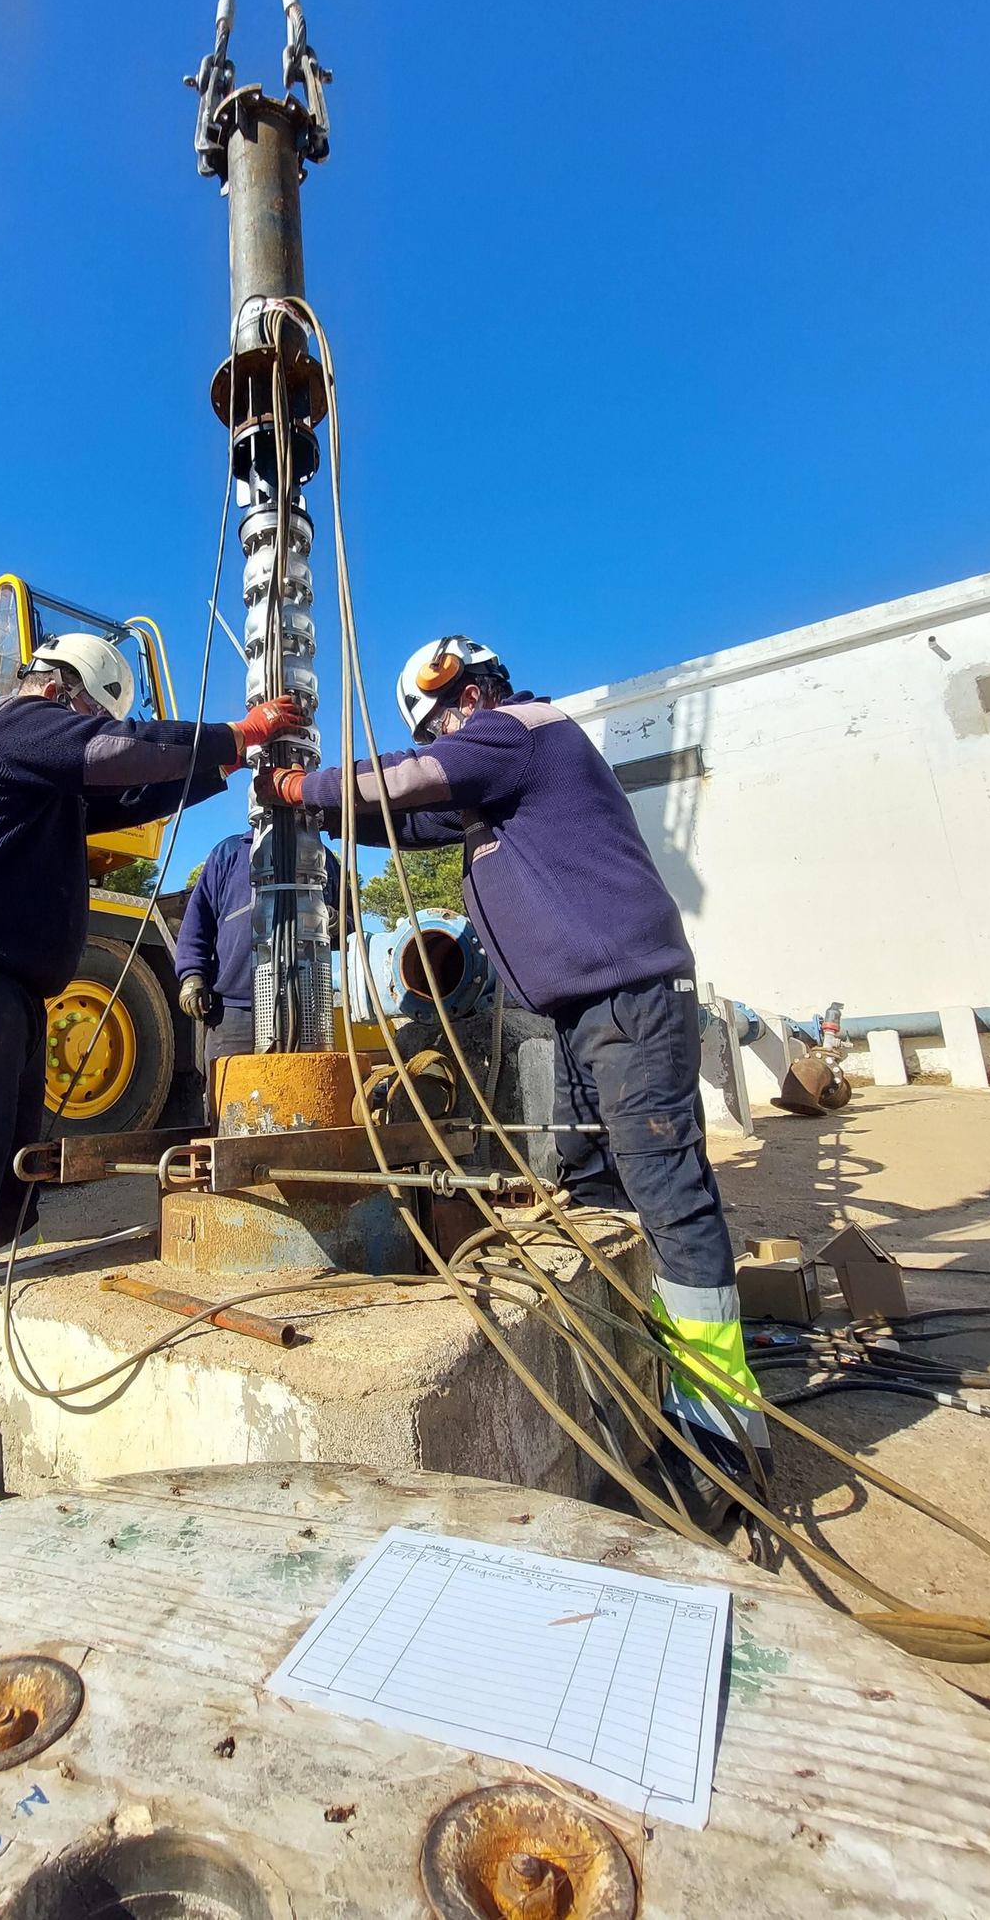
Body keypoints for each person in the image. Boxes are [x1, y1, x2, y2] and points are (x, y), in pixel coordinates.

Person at [258, 633, 764, 1525]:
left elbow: (409, 783)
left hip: (629, 995)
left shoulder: (522, 728)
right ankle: (633, 1364)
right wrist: (313, 808)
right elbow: (406, 816)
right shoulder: (495, 789)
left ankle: (722, 1428)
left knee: (668, 1193)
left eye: (448, 713)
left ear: (479, 691)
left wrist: (303, 785)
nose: (448, 728)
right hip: (574, 1012)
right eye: (438, 720)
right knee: (586, 1183)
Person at [0, 632, 304, 1531]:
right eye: (97, 712)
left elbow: (131, 782)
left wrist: (225, 759)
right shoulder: (12, 720)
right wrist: (237, 730)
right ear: (76, 694)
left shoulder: (37, 774)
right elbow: (114, 754)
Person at [173, 831, 341, 1120]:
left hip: (304, 1013)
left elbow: (348, 919)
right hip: (235, 1011)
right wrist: (191, 975)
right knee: (230, 1111)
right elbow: (198, 919)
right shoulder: (230, 853)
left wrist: (336, 921)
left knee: (301, 1108)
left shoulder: (322, 857)